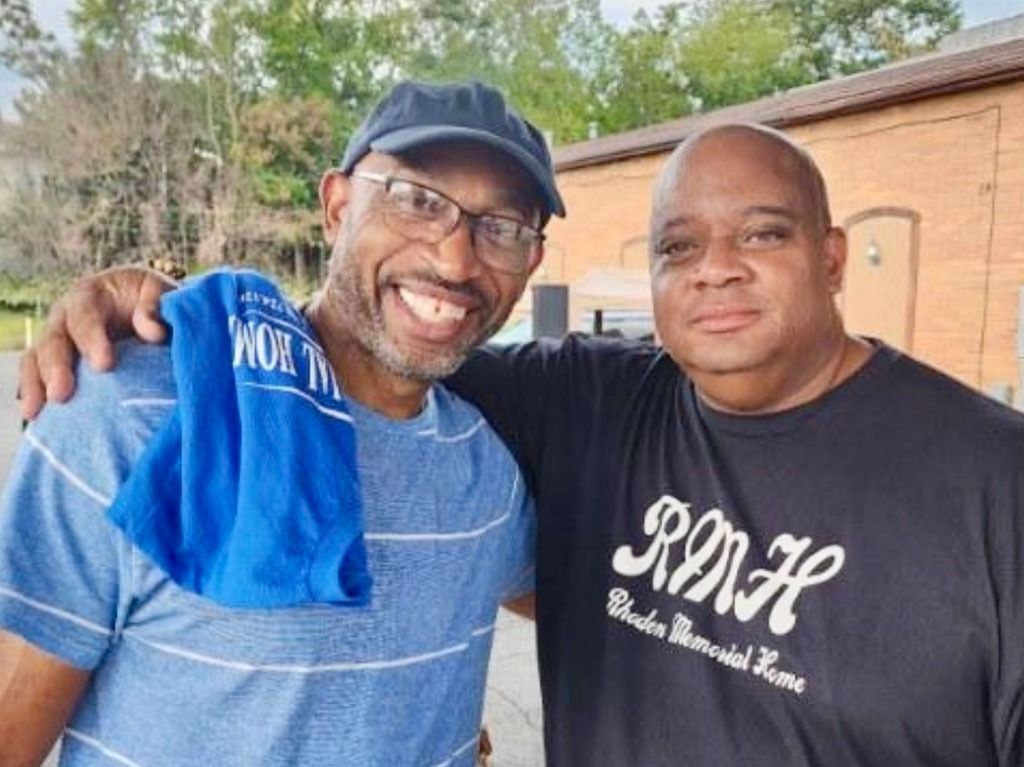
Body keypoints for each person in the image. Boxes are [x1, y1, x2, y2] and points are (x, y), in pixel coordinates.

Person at [20, 123, 1024, 766]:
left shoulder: (993, 479)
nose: (713, 271)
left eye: (761, 234)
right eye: (678, 246)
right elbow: (379, 336)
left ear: (831, 255)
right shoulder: (586, 401)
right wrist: (181, 315)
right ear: (338, 202)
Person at [0, 79, 565, 766]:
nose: (455, 258)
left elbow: (601, 600)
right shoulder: (136, 416)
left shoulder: (488, 479)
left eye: (501, 227)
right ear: (336, 206)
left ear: (530, 261)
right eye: (417, 200)